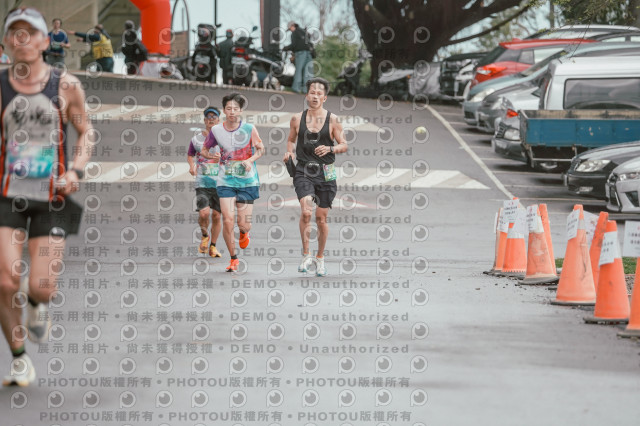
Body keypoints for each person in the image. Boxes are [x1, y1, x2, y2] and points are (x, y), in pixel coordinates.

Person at [0, 6, 92, 386]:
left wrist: (76, 170)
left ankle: (37, 303)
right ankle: (19, 359)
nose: (22, 39)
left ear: (44, 41)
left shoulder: (66, 85)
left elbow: (85, 132)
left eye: (30, 32)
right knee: (6, 281)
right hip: (6, 196)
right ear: (7, 42)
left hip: (52, 197)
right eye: (14, 32)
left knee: (42, 286)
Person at [283, 78, 347, 276]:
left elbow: (344, 144)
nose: (315, 96)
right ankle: (306, 255)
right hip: (303, 171)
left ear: (324, 98)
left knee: (321, 218)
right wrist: (289, 153)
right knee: (306, 212)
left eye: (319, 93)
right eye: (312, 92)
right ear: (306, 95)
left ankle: (320, 258)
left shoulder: (333, 120)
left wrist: (330, 148)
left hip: (326, 173)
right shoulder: (296, 119)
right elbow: (290, 140)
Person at [201, 93, 264, 272]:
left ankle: (244, 232)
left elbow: (261, 149)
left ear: (241, 111)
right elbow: (204, 150)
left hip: (247, 181)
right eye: (229, 108)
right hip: (225, 181)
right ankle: (233, 258)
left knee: (243, 224)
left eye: (235, 109)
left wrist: (250, 160)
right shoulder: (216, 131)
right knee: (228, 220)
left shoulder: (249, 129)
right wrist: (211, 155)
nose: (232, 112)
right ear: (224, 110)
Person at [188, 107, 223, 258]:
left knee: (216, 216)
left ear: (218, 120)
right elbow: (190, 154)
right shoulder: (196, 139)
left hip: (220, 183)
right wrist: (192, 166)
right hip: (202, 182)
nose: (211, 120)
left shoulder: (224, 138)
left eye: (214, 117)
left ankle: (213, 246)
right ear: (204, 120)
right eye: (208, 117)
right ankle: (204, 236)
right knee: (204, 213)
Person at [283, 21, 314, 93]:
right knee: (308, 72)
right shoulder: (304, 32)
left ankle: (296, 88)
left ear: (293, 26)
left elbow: (294, 45)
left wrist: (285, 48)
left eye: (290, 28)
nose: (290, 30)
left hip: (300, 53)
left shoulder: (294, 33)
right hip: (309, 53)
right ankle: (306, 90)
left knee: (298, 70)